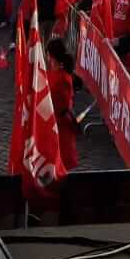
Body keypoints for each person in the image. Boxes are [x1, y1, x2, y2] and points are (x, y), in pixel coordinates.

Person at [46, 36, 79, 171]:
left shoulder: (63, 78)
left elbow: (63, 104)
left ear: (51, 56)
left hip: (60, 125)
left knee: (61, 162)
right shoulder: (52, 73)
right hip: (54, 121)